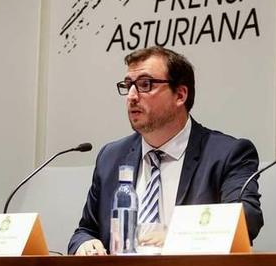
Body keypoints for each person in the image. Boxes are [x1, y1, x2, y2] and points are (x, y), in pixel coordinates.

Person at [69, 46, 263, 255]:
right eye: (128, 86)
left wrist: (176, 236)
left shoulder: (227, 154)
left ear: (180, 95)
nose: (131, 96)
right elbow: (86, 230)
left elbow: (246, 218)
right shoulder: (111, 157)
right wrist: (84, 245)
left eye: (145, 85)